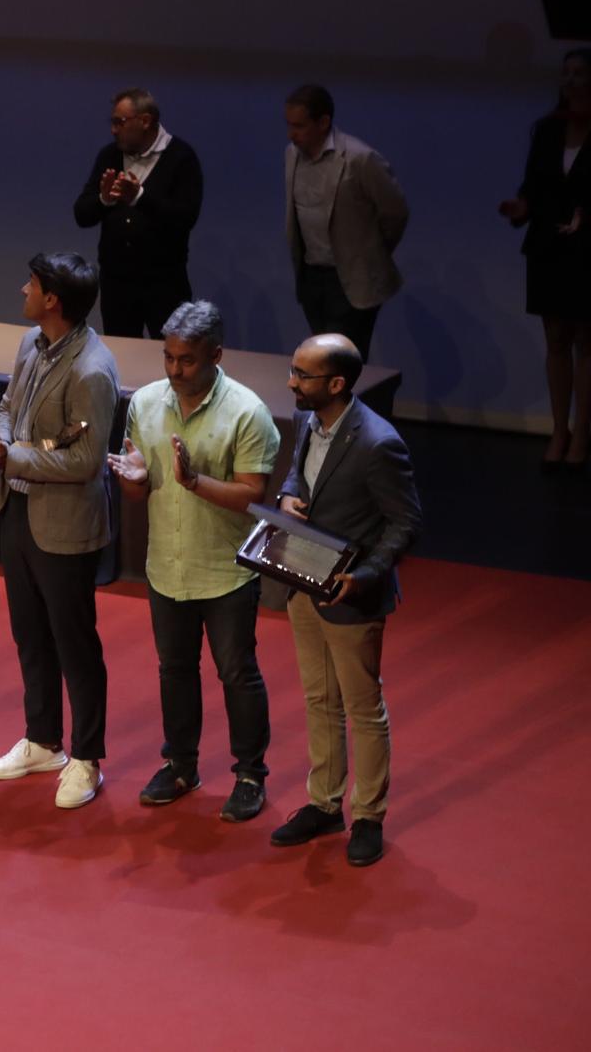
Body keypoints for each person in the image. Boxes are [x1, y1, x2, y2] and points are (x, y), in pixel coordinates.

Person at [107, 301, 279, 823]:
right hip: (167, 567)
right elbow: (138, 491)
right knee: (175, 671)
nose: (175, 369)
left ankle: (250, 775)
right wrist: (132, 480)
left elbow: (254, 496)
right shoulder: (145, 403)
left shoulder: (248, 412)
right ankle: (181, 765)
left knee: (236, 673)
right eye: (169, 357)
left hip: (226, 570)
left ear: (216, 356)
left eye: (187, 360)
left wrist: (195, 481)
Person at [0, 253, 119, 809]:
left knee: (74, 644)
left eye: (30, 284)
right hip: (19, 515)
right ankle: (42, 740)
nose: (21, 290)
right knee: (30, 635)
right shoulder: (31, 344)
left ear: (52, 299)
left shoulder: (92, 370)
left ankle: (86, 757)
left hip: (65, 526)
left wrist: (13, 457)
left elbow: (86, 461)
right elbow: (9, 405)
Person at [268, 334, 422, 868]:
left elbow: (405, 523)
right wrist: (289, 493)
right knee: (319, 699)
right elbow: (299, 472)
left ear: (336, 384)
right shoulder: (309, 419)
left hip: (350, 594)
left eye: (302, 374)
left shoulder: (379, 443)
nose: (291, 382)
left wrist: (365, 575)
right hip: (303, 582)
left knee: (363, 709)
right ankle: (324, 804)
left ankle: (369, 816)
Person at [498, 47, 591, 471]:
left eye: (579, 73)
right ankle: (560, 430)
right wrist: (522, 208)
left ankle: (582, 434)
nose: (570, 80)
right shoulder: (548, 130)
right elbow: (534, 187)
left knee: (586, 343)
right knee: (555, 341)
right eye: (565, 73)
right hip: (549, 248)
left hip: (587, 249)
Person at [283, 84, 408, 359]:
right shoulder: (292, 154)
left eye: (300, 126)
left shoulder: (359, 159)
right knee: (320, 360)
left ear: (324, 122)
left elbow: (395, 212)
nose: (292, 134)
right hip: (312, 275)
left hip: (351, 278)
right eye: (289, 125)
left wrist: (370, 253)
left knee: (343, 363)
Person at [71, 87, 204, 339]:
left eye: (119, 122)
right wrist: (104, 199)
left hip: (164, 285)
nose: (113, 130)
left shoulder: (181, 158)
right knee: (121, 358)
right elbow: (81, 214)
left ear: (145, 121)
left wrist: (140, 198)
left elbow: (185, 218)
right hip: (117, 284)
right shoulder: (109, 155)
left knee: (169, 356)